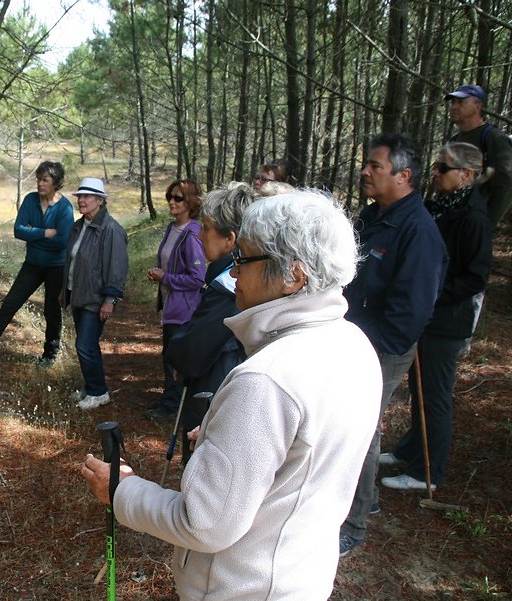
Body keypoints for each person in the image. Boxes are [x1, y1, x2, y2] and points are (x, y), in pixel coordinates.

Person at [81, 191, 381, 600]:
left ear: (293, 275)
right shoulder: (353, 345)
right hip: (300, 577)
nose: (234, 274)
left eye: (245, 260)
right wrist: (227, 431)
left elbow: (205, 523)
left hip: (242, 588)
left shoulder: (266, 380)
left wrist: (122, 491)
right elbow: (300, 457)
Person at [339, 133, 448, 557]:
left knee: (359, 428)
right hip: (353, 338)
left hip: (381, 348)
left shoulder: (419, 232)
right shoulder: (372, 217)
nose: (365, 171)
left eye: (376, 166)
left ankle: (354, 523)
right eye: (367, 164)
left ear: (403, 176)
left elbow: (410, 315)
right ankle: (367, 499)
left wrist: (365, 346)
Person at [380, 143, 493, 491]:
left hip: (446, 321)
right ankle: (411, 450)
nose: (435, 173)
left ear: (467, 175)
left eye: (443, 168)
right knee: (419, 388)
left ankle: (427, 472)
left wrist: (431, 296)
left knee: (435, 394)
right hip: (426, 315)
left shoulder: (473, 217)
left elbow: (475, 277)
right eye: (435, 166)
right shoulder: (438, 208)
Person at [165, 181, 294, 463]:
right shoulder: (230, 278)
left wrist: (179, 352)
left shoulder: (231, 286)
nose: (199, 235)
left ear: (230, 239)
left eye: (207, 228)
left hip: (216, 390)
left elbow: (193, 350)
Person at [0, 161, 74, 365]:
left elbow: (63, 241)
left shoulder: (64, 208)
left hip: (57, 267)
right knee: (10, 303)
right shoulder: (30, 200)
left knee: (51, 311)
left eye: (45, 180)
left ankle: (50, 354)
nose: (39, 183)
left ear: (56, 183)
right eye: (38, 179)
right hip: (33, 264)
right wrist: (45, 232)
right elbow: (18, 231)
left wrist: (33, 234)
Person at [62, 177, 128, 410]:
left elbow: (117, 268)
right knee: (86, 345)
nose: (81, 200)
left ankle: (99, 392)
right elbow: (71, 261)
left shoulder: (111, 230)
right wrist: (65, 292)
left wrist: (110, 300)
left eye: (87, 196)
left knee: (85, 345)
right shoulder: (79, 225)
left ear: (100, 201)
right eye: (80, 196)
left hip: (95, 298)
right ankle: (92, 387)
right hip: (77, 294)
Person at [144, 180, 206, 422]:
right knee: (169, 356)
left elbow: (197, 278)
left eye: (178, 198)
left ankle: (172, 408)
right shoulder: (173, 229)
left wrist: (166, 278)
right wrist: (160, 274)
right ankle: (170, 402)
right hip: (171, 304)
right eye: (169, 196)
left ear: (190, 202)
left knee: (174, 358)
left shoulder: (192, 235)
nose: (171, 201)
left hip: (184, 309)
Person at [446, 84, 512, 228]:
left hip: (474, 223)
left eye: (461, 102)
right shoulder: (454, 140)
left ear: (478, 106)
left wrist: (485, 226)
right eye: (453, 102)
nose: (454, 106)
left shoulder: (493, 138)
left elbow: (507, 186)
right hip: (453, 221)